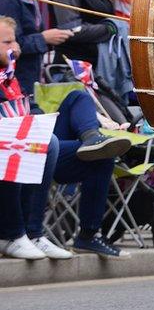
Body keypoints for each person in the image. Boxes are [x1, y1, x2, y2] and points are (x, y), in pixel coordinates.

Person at [0, 16, 131, 258]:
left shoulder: (10, 75)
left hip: (31, 144)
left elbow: (32, 110)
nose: (16, 48)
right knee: (46, 144)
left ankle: (89, 236)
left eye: (15, 41)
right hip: (14, 150)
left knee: (93, 135)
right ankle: (26, 233)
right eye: (8, 42)